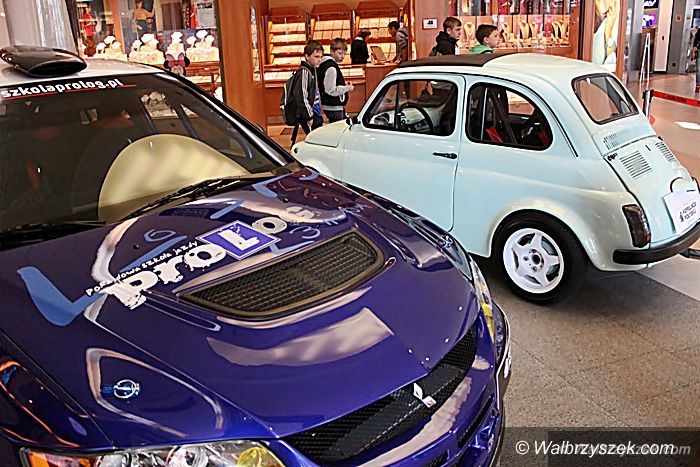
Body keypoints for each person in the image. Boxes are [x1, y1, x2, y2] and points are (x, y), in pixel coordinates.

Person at [290, 40, 324, 144]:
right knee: (316, 140)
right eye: (316, 57)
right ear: (307, 56)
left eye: (321, 57)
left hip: (314, 112)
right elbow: (301, 95)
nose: (319, 60)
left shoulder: (312, 70)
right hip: (309, 113)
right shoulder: (304, 72)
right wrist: (309, 116)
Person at [318, 38, 355, 123]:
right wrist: (347, 88)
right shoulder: (331, 67)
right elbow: (330, 90)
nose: (342, 56)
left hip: (331, 105)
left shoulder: (326, 64)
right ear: (332, 51)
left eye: (344, 54)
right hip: (333, 106)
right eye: (340, 53)